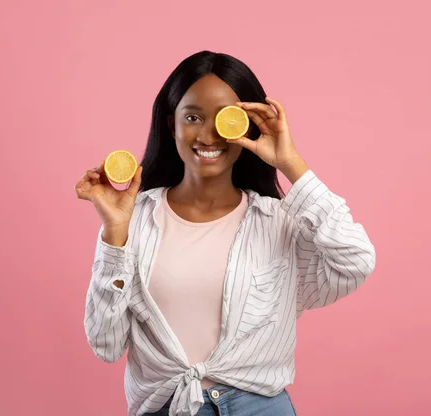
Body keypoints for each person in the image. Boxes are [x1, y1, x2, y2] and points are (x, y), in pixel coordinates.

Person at [74, 51, 376, 416]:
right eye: (193, 117)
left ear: (246, 127)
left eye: (225, 120)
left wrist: (290, 162)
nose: (208, 134)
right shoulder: (132, 219)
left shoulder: (278, 223)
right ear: (173, 125)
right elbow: (105, 344)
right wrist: (115, 234)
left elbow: (356, 259)